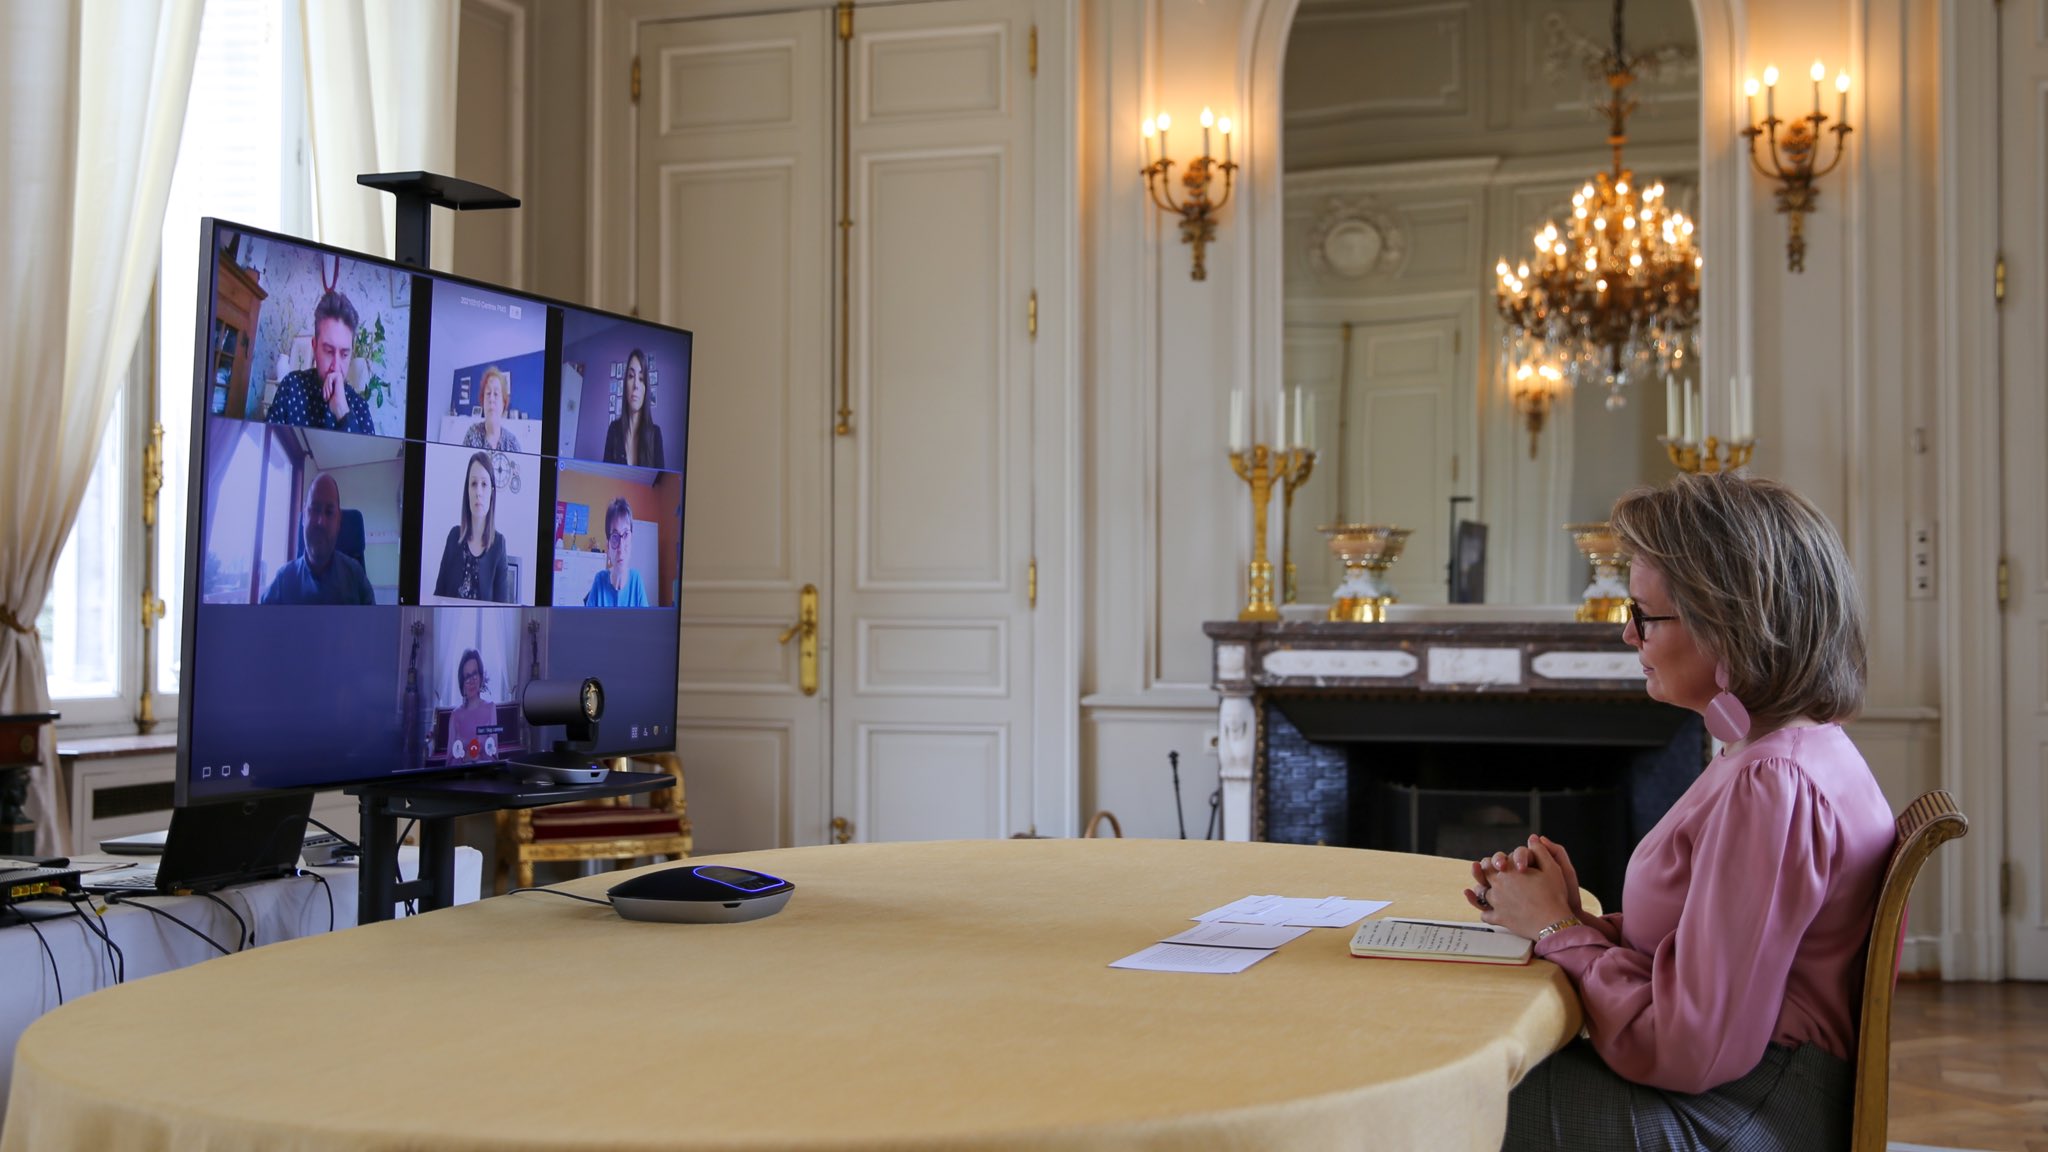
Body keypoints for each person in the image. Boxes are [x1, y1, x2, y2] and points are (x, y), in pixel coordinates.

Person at [1469, 472, 1895, 1151]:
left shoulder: (1773, 782)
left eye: (1642, 614)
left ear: (1728, 624)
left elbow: (1693, 1048)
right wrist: (1573, 920)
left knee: (1437, 1102)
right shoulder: (1787, 751)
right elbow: (1711, 964)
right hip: (1750, 1087)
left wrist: (1555, 928)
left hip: (1748, 1113)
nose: (1628, 636)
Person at [267, 290, 374, 434]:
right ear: (314, 346)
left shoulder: (360, 408)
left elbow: (367, 457)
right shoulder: (290, 386)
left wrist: (343, 413)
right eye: (329, 352)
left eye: (344, 354)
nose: (336, 367)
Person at [259, 473, 375, 605]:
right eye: (314, 509)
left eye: (329, 512)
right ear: (304, 517)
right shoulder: (282, 582)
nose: (321, 522)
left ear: (339, 522)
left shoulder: (357, 577)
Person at [433, 451, 512, 602]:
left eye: (484, 484)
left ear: (491, 493)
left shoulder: (499, 545)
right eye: (474, 484)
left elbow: (502, 610)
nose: (478, 493)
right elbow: (438, 597)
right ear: (467, 491)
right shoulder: (453, 537)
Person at [602, 349, 664, 468]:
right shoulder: (613, 429)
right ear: (625, 385)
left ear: (646, 389)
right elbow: (605, 476)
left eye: (641, 379)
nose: (636, 384)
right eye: (631, 376)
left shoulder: (656, 434)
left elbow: (662, 482)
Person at [583, 497, 649, 607]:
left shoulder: (636, 580)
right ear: (608, 546)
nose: (621, 547)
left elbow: (646, 623)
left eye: (626, 534)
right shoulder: (599, 580)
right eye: (614, 537)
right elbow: (588, 622)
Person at [446, 648, 498, 758]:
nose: (472, 681)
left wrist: (480, 757)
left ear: (480, 676)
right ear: (462, 683)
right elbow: (449, 760)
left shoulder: (490, 708)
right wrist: (465, 759)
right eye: (467, 677)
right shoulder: (455, 715)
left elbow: (494, 756)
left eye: (474, 674)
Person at [461, 365, 522, 453]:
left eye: (496, 394)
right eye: (488, 393)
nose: (491, 399)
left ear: (503, 403)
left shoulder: (512, 444)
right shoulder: (472, 434)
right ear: (483, 401)